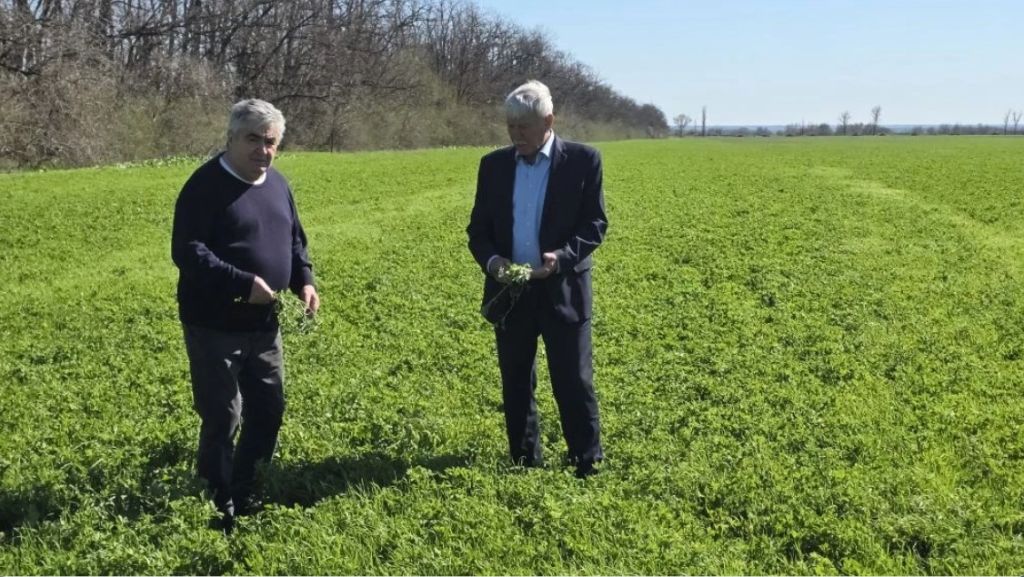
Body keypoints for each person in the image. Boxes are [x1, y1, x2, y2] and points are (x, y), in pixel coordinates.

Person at [171, 98, 320, 530]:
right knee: (223, 415)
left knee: (269, 408)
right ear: (232, 138)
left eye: (270, 142)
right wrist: (242, 284)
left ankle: (248, 485)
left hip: (264, 324)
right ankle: (218, 502)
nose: (263, 150)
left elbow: (295, 241)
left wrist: (304, 281)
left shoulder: (277, 184)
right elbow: (187, 252)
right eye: (253, 139)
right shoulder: (204, 185)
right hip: (214, 324)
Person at [467, 80, 608, 478]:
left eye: (524, 127)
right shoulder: (492, 166)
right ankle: (525, 460)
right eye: (510, 127)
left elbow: (595, 224)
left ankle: (586, 459)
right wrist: (493, 261)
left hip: (563, 290)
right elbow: (478, 231)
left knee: (573, 380)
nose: (516, 135)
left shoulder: (584, 161)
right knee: (515, 380)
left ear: (548, 121)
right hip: (511, 292)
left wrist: (561, 258)